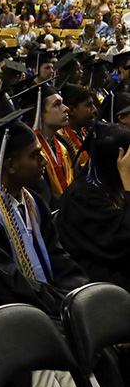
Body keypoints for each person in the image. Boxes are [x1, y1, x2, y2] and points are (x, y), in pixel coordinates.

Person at [0, 115, 87, 315]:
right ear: (10, 166)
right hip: (15, 313)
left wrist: (78, 293)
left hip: (49, 301)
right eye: (34, 155)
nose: (43, 161)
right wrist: (63, 304)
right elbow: (7, 281)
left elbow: (58, 257)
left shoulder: (33, 201)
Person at [56, 123, 130, 290]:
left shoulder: (109, 182)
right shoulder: (82, 197)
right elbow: (124, 239)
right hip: (102, 283)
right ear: (118, 160)